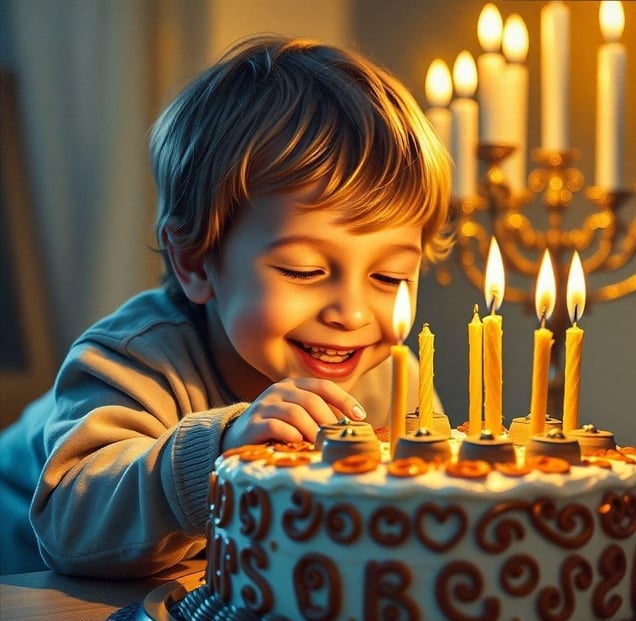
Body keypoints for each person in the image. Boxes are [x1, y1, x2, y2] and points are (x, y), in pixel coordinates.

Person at [0, 36, 452, 577]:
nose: (352, 314)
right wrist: (219, 453)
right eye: (303, 270)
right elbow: (68, 524)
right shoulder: (132, 361)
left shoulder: (393, 383)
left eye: (390, 275)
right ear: (194, 261)